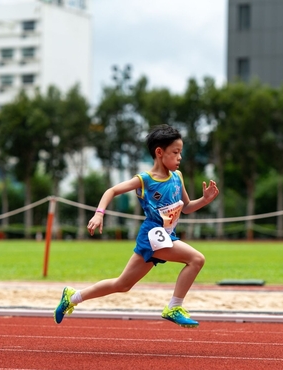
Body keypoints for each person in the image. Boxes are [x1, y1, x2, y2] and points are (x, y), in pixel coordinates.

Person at [54, 124, 219, 328]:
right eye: (175, 152)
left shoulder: (178, 177)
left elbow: (186, 208)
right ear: (159, 152)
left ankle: (72, 297)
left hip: (166, 236)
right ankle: (174, 307)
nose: (180, 157)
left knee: (122, 284)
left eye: (180, 153)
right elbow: (111, 191)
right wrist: (99, 214)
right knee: (196, 259)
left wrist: (204, 200)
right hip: (152, 236)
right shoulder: (146, 180)